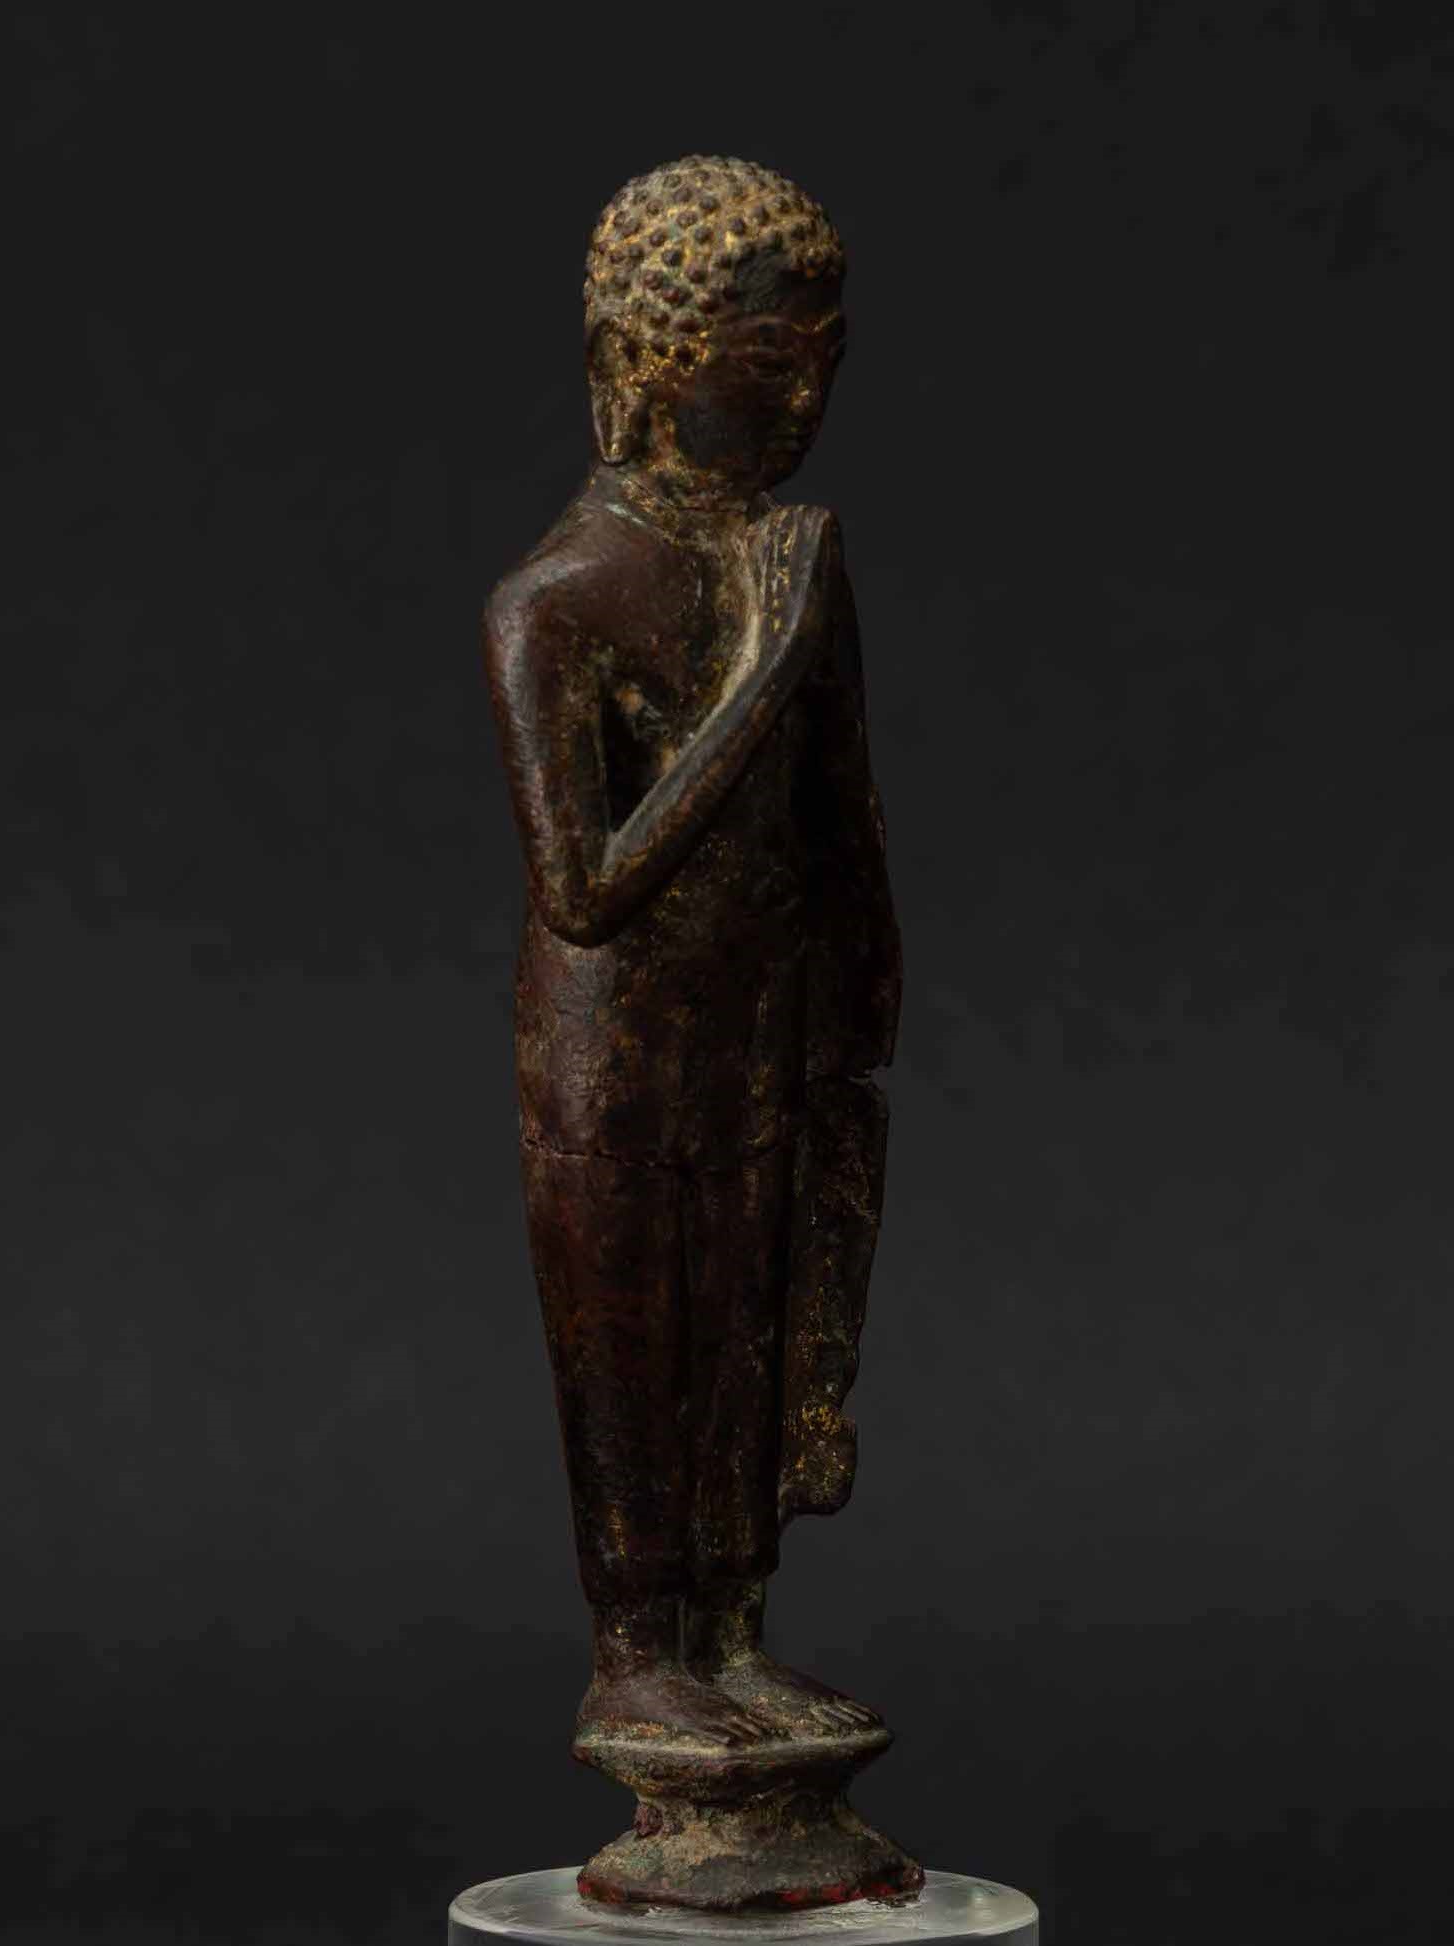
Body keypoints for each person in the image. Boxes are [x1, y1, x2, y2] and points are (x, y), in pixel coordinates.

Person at [482, 155, 900, 1757]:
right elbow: (584, 888)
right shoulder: (556, 600)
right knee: (640, 1324)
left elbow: (841, 811)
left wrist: (862, 997)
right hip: (613, 1046)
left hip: (767, 1022)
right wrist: (761, 667)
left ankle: (730, 1628)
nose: (801, 400)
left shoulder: (792, 559)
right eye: (764, 364)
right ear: (641, 368)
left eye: (822, 361)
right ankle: (635, 1645)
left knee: (751, 1311)